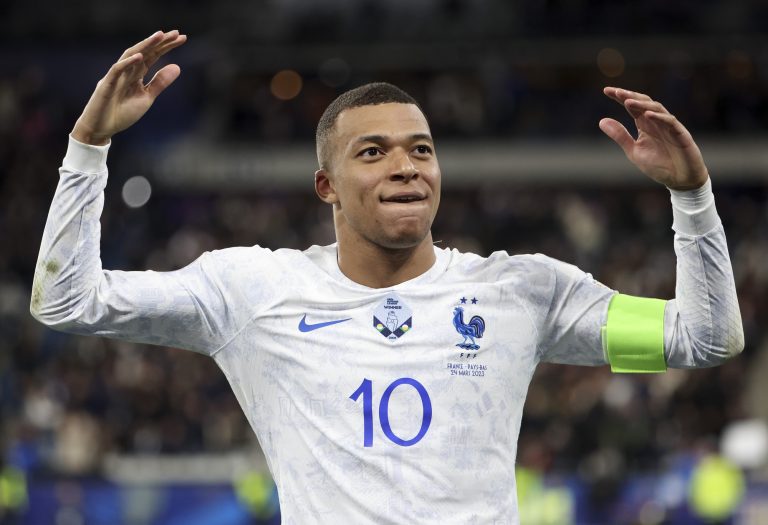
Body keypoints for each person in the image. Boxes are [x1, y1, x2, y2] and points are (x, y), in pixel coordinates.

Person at [31, 30, 743, 524]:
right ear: (327, 186)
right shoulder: (249, 291)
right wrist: (89, 145)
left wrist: (692, 197)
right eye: (372, 152)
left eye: (421, 150)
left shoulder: (522, 293)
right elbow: (67, 300)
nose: (405, 167)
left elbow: (704, 338)